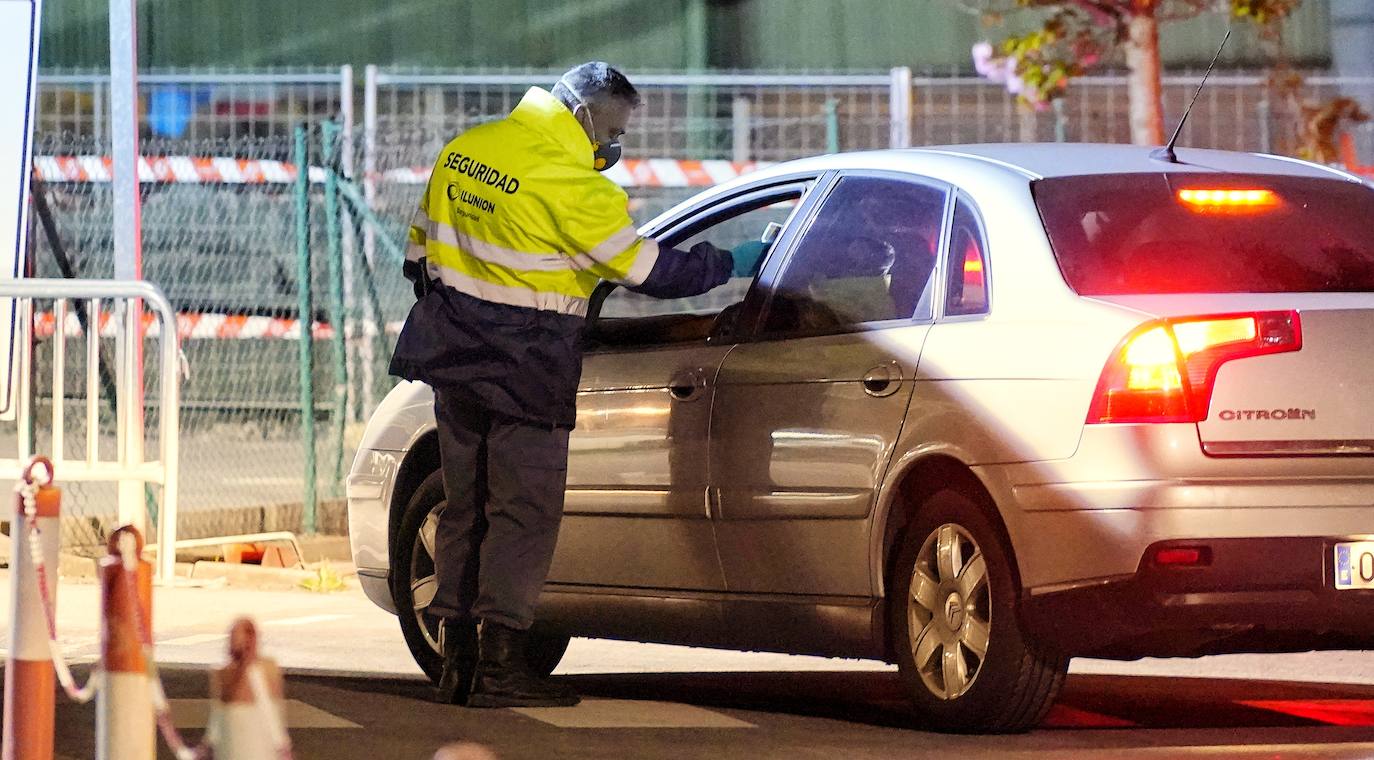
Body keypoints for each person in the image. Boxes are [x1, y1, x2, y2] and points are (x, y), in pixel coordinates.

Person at [389, 62, 733, 709]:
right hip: (527, 371)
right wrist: (731, 261)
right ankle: (500, 669)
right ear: (581, 115)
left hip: (456, 361)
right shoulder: (575, 186)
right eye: (612, 128)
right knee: (523, 515)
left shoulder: (465, 152)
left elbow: (417, 255)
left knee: (467, 508)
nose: (613, 144)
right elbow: (651, 271)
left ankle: (457, 662)